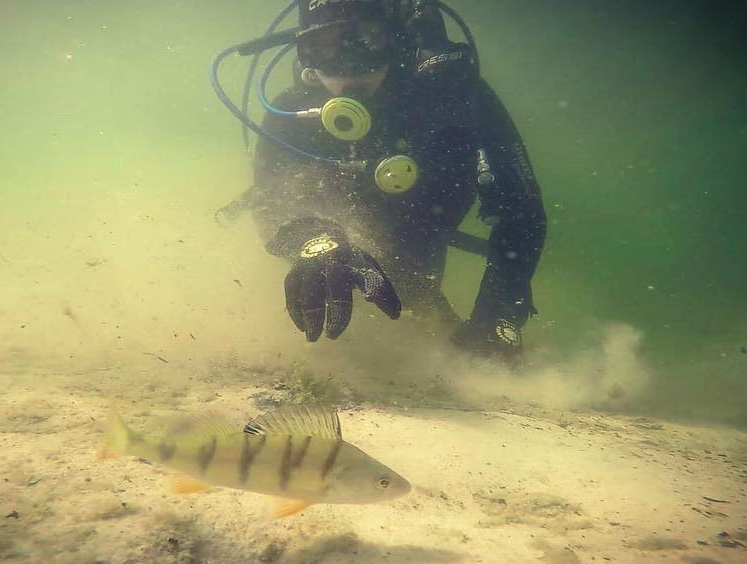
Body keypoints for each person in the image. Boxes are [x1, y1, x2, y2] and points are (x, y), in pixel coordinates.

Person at [217, 0, 546, 363]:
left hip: (419, 259)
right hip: (331, 258)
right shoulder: (293, 111)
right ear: (305, 54)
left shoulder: (453, 95)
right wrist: (315, 243)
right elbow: (272, 200)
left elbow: (522, 212)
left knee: (427, 316)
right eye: (326, 46)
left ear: (397, 37)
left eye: (366, 38)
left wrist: (497, 314)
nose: (349, 64)